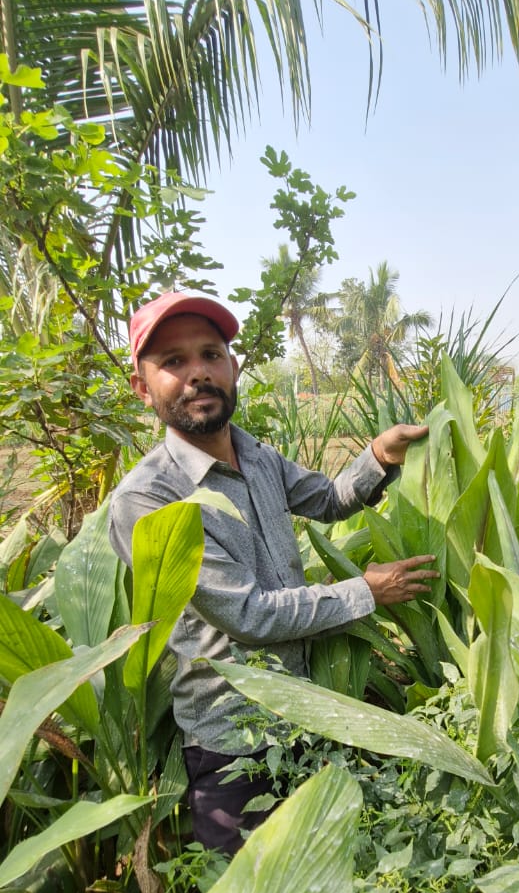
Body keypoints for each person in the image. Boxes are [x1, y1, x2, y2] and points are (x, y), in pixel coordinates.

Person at [108, 289, 438, 854]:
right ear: (143, 387)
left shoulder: (255, 455)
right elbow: (248, 615)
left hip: (310, 712)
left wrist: (380, 455)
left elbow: (328, 499)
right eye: (173, 362)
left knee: (334, 888)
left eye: (211, 355)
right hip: (234, 742)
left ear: (233, 368)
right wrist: (365, 592)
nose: (198, 374)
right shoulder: (150, 499)